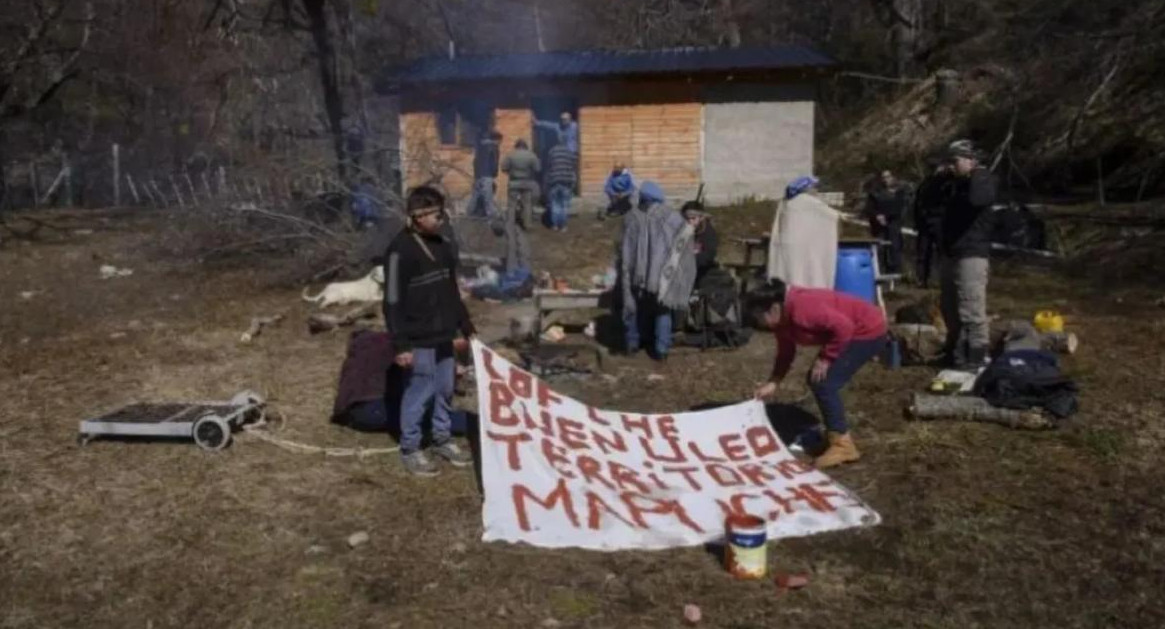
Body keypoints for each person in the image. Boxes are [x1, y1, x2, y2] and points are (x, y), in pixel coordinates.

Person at [382, 186, 476, 477]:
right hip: (417, 335)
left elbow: (451, 291)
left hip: (444, 334)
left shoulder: (443, 245)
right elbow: (392, 302)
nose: (442, 219)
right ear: (418, 216)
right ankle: (411, 447)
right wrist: (400, 345)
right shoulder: (399, 251)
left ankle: (441, 438)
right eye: (437, 214)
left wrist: (466, 328)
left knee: (445, 389)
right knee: (421, 389)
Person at [751, 278, 888, 469]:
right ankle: (834, 434)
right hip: (851, 330)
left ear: (773, 308)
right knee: (818, 380)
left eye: (758, 316)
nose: (758, 322)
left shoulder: (802, 309)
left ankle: (843, 444)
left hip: (866, 330)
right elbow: (786, 352)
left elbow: (844, 327)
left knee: (824, 382)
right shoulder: (782, 321)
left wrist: (826, 358)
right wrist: (774, 381)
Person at [939, 139, 998, 369]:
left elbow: (979, 199)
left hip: (972, 253)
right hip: (951, 251)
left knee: (971, 307)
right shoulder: (954, 184)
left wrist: (976, 172)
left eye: (955, 161)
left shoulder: (983, 180)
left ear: (971, 160)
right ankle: (956, 351)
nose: (950, 167)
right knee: (949, 306)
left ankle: (977, 355)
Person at [619, 181, 693, 361]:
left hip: (636, 271)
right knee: (662, 309)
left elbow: (622, 246)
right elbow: (685, 241)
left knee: (634, 307)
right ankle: (661, 349)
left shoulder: (631, 217)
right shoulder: (672, 217)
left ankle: (633, 344)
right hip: (662, 275)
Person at [767, 175, 839, 288]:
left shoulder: (786, 203)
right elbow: (832, 217)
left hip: (790, 247)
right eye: (814, 187)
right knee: (809, 275)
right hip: (804, 248)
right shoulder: (809, 202)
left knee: (792, 273)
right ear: (807, 188)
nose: (816, 190)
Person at [500, 139, 541, 273]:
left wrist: (511, 172)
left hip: (514, 182)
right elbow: (538, 168)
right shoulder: (531, 155)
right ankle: (527, 224)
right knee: (527, 204)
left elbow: (504, 168)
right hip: (527, 182)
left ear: (516, 145)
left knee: (511, 204)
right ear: (526, 146)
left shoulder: (511, 155)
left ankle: (510, 224)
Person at [913, 159, 953, 288]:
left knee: (943, 252)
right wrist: (917, 220)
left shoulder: (949, 182)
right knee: (923, 252)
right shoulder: (926, 182)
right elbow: (918, 202)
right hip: (925, 221)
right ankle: (921, 279)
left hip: (941, 221)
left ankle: (945, 279)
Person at [864, 169, 910, 275]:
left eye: (888, 177)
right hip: (878, 226)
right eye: (883, 177)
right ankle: (879, 271)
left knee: (894, 248)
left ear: (892, 177)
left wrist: (888, 216)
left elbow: (901, 207)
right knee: (880, 249)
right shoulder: (874, 193)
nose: (886, 180)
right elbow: (869, 208)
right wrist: (877, 215)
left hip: (894, 223)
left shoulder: (899, 191)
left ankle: (895, 272)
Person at [466, 130, 502, 218]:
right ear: (497, 140)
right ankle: (491, 213)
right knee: (488, 195)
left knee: (475, 195)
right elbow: (494, 162)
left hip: (478, 174)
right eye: (500, 141)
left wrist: (476, 173)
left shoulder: (480, 147)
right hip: (488, 174)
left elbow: (475, 161)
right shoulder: (494, 147)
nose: (500, 143)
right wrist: (494, 173)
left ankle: (469, 211)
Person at [544, 141, 577, 232]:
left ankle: (555, 225)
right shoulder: (569, 152)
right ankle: (563, 226)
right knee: (564, 204)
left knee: (555, 204)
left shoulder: (552, 151)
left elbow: (548, 166)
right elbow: (573, 166)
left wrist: (547, 182)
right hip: (566, 181)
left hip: (554, 180)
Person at [682, 201, 718, 283]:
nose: (690, 221)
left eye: (693, 218)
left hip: (701, 273)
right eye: (687, 219)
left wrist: (689, 260)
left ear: (701, 218)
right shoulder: (680, 230)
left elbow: (708, 255)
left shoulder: (707, 233)